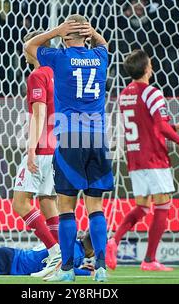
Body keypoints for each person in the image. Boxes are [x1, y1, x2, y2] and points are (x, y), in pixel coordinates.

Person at [25, 15, 113, 282]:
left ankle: (66, 270)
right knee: (95, 206)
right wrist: (92, 32)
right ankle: (100, 269)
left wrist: (56, 30)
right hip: (97, 137)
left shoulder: (60, 58)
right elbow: (104, 44)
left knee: (65, 206)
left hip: (70, 136)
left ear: (65, 36)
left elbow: (29, 46)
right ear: (86, 35)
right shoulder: (99, 57)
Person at [106, 49, 179, 271]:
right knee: (163, 204)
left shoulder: (125, 94)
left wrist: (174, 127)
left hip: (135, 156)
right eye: (151, 64)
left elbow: (147, 125)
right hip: (153, 157)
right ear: (147, 68)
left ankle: (113, 241)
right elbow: (159, 126)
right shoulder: (152, 92)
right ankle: (149, 260)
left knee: (143, 207)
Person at [11, 30, 60, 278]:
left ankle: (54, 253)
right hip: (58, 147)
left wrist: (30, 149)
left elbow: (39, 114)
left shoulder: (38, 75)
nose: (24, 50)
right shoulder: (59, 74)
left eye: (26, 46)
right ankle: (63, 259)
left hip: (41, 148)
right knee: (47, 201)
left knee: (19, 203)